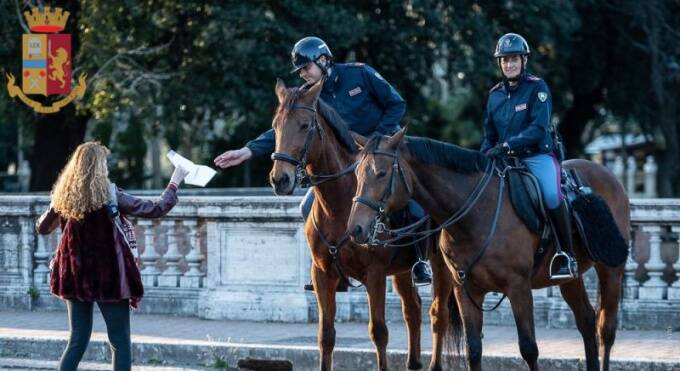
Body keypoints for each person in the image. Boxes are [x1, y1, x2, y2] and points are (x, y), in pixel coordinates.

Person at [214, 36, 432, 288]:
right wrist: (248, 150)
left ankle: (418, 262)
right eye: (300, 71)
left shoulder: (360, 74)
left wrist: (376, 140)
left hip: (382, 150)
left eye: (306, 67)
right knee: (307, 208)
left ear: (323, 59)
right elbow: (287, 129)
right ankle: (331, 269)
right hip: (346, 161)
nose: (303, 74)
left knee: (414, 204)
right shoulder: (308, 97)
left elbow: (396, 104)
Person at [36, 142, 189, 371]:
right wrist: (174, 183)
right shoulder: (110, 194)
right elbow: (154, 209)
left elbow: (42, 228)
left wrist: (55, 202)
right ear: (100, 167)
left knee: (77, 340)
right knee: (119, 343)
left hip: (75, 277)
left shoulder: (64, 197)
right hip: (109, 279)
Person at [480, 33, 577, 279]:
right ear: (500, 64)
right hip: (503, 160)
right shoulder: (494, 95)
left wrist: (508, 146)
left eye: (514, 59)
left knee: (553, 195)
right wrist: (482, 157)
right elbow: (489, 134)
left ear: (524, 60)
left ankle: (566, 255)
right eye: (505, 60)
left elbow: (538, 128)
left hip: (536, 156)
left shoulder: (537, 87)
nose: (509, 64)